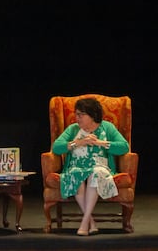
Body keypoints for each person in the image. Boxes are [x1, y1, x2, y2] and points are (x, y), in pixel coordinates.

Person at [51, 97, 130, 236]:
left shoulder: (107, 127)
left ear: (92, 115)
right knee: (75, 175)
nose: (77, 117)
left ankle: (84, 222)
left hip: (100, 166)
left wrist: (100, 143)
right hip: (76, 166)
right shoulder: (73, 129)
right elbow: (56, 148)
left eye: (81, 114)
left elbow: (124, 147)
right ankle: (91, 223)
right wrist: (78, 143)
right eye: (76, 114)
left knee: (96, 173)